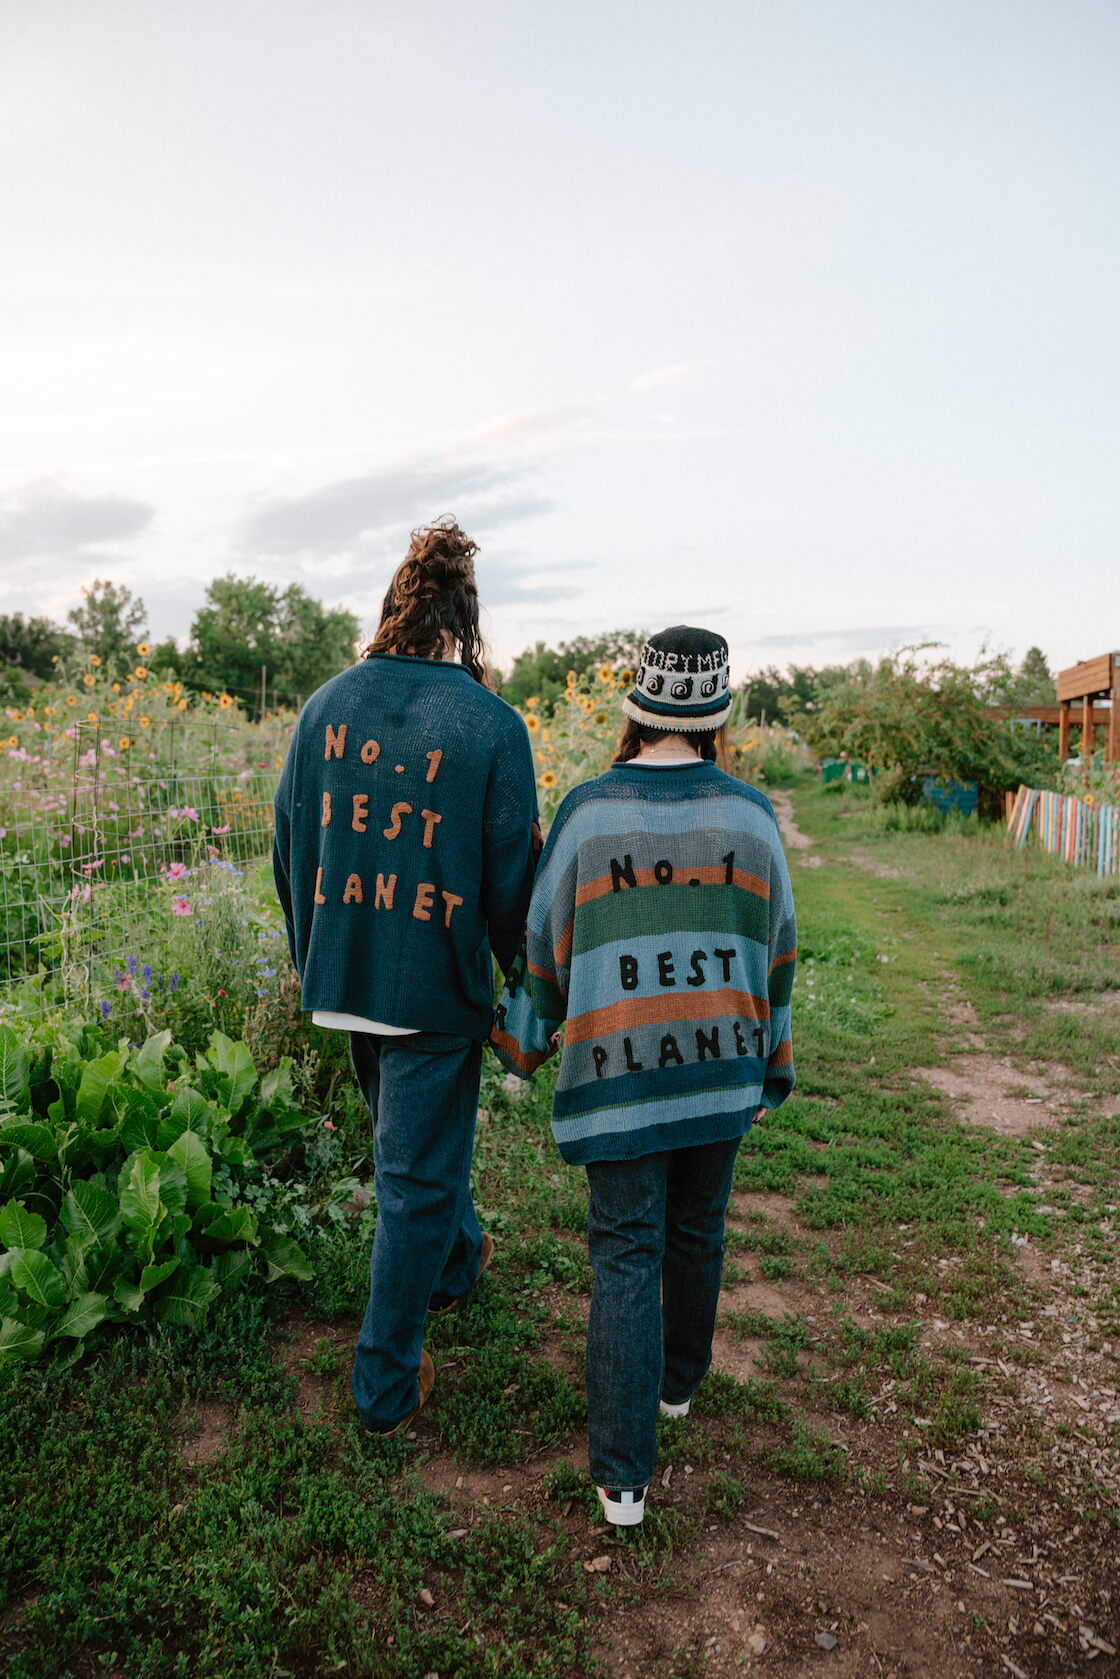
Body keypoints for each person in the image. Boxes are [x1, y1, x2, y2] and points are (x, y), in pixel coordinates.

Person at [490, 626, 796, 1525]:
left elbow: (542, 941)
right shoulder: (753, 818)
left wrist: (524, 1041)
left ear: (638, 708)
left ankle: (623, 1480)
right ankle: (677, 1385)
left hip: (617, 1072)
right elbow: (777, 951)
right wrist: (769, 1065)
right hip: (722, 1069)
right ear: (715, 718)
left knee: (626, 1251)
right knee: (698, 1227)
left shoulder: (588, 813)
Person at [273, 517, 539, 1436]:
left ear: (392, 607)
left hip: (346, 972)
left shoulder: (323, 708)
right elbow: (512, 877)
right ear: (464, 623)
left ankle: (457, 1264)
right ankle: (385, 1384)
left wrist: (315, 953)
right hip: (434, 986)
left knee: (411, 1149)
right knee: (413, 1176)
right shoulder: (492, 725)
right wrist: (515, 982)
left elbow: (286, 847)